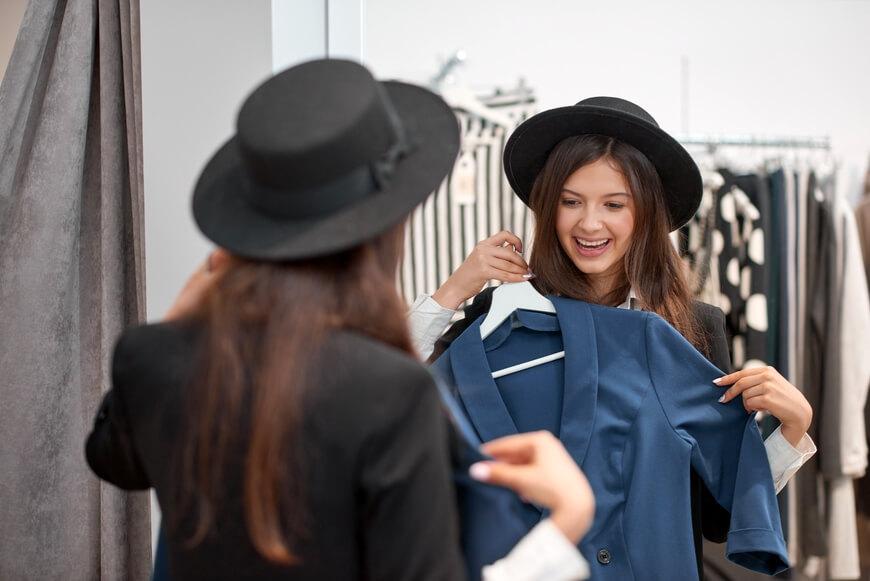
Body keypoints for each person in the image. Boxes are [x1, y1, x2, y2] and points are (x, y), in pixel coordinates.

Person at [85, 59, 596, 581]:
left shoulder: (151, 357)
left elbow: (112, 459)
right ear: (387, 227)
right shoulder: (390, 393)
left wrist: (185, 314)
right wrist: (564, 526)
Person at [408, 97, 817, 576]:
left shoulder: (692, 329)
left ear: (645, 213)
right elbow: (386, 396)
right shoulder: (492, 318)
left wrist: (792, 431)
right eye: (571, 201)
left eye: (614, 204)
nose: (589, 223)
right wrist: (453, 291)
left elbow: (716, 518)